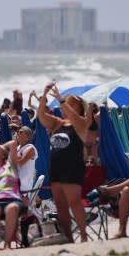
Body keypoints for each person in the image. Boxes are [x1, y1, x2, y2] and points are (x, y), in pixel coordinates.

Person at [38, 83, 90, 243]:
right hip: (56, 167)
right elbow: (41, 116)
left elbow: (74, 117)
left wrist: (61, 100)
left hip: (72, 166)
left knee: (74, 201)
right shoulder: (58, 123)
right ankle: (68, 237)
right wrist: (44, 95)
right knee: (60, 205)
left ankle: (83, 235)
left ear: (80, 107)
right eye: (68, 101)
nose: (69, 104)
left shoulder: (82, 122)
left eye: (73, 102)